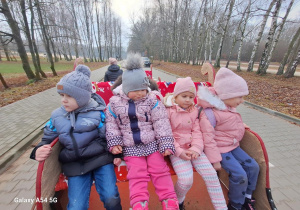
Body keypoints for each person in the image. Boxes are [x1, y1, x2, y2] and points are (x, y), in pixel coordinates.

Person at [30, 65, 122, 210]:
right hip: (74, 164)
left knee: (110, 196)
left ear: (82, 97)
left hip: (100, 160)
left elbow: (110, 135)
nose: (63, 101)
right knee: (76, 206)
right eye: (62, 96)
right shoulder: (57, 117)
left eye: (69, 96)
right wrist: (38, 150)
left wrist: (118, 153)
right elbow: (47, 139)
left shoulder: (98, 113)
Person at [105, 53, 179, 210]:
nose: (139, 93)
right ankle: (139, 203)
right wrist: (115, 143)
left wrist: (165, 143)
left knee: (160, 170)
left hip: (152, 144)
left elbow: (161, 123)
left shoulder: (152, 101)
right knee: (137, 174)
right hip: (131, 147)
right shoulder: (114, 104)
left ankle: (169, 201)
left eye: (142, 89)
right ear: (125, 89)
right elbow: (111, 125)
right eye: (135, 90)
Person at [197, 67, 260, 210]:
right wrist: (215, 160)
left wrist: (242, 126)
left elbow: (230, 122)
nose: (242, 100)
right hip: (220, 150)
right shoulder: (210, 113)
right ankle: (236, 205)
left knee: (253, 167)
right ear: (227, 94)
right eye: (240, 96)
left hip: (233, 145)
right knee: (240, 175)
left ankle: (247, 198)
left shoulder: (228, 106)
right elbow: (208, 138)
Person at [164, 77, 227, 210]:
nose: (188, 100)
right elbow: (166, 135)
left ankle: (222, 207)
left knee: (211, 175)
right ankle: (178, 202)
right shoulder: (168, 111)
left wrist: (197, 148)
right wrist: (179, 152)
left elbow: (197, 131)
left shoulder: (194, 111)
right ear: (175, 96)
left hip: (194, 149)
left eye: (191, 97)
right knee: (186, 180)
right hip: (177, 151)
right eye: (184, 96)